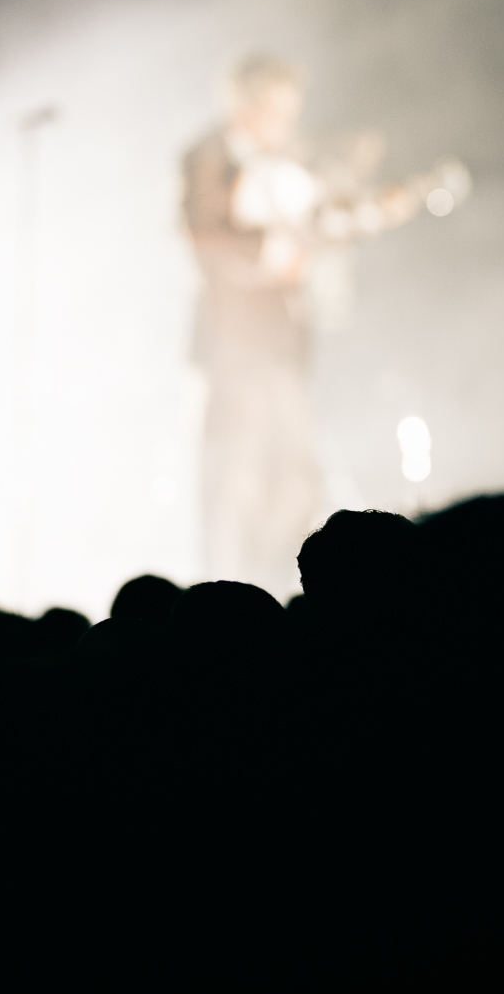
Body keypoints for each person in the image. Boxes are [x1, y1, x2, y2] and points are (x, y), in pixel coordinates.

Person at [181, 52, 422, 593]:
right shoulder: (209, 156)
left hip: (284, 342)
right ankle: (224, 597)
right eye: (277, 111)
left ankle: (278, 590)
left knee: (295, 476)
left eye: (291, 112)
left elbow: (313, 223)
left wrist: (369, 212)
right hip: (232, 343)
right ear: (244, 106)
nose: (287, 124)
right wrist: (279, 256)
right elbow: (209, 242)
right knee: (237, 477)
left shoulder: (287, 159)